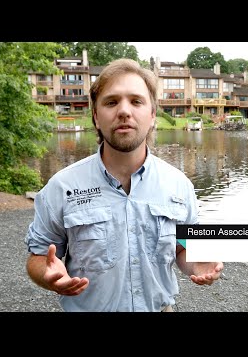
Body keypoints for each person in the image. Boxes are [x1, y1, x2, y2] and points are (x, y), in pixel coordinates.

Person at [25, 58, 223, 312]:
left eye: (136, 101)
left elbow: (182, 247)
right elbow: (39, 256)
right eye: (111, 101)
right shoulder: (61, 187)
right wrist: (48, 276)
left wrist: (199, 263)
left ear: (152, 115)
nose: (124, 111)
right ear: (96, 117)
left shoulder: (180, 185)